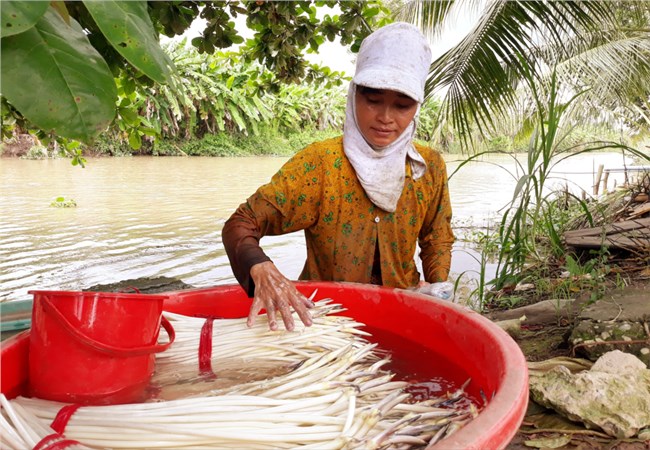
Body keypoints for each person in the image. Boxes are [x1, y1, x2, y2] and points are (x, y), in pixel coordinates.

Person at [222, 22, 454, 331]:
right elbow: (241, 223)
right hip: (325, 320)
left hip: (403, 310)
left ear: (417, 107)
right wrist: (259, 265)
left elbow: (436, 236)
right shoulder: (320, 164)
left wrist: (439, 286)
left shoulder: (429, 166)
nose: (385, 118)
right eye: (373, 100)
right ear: (354, 94)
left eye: (402, 105)